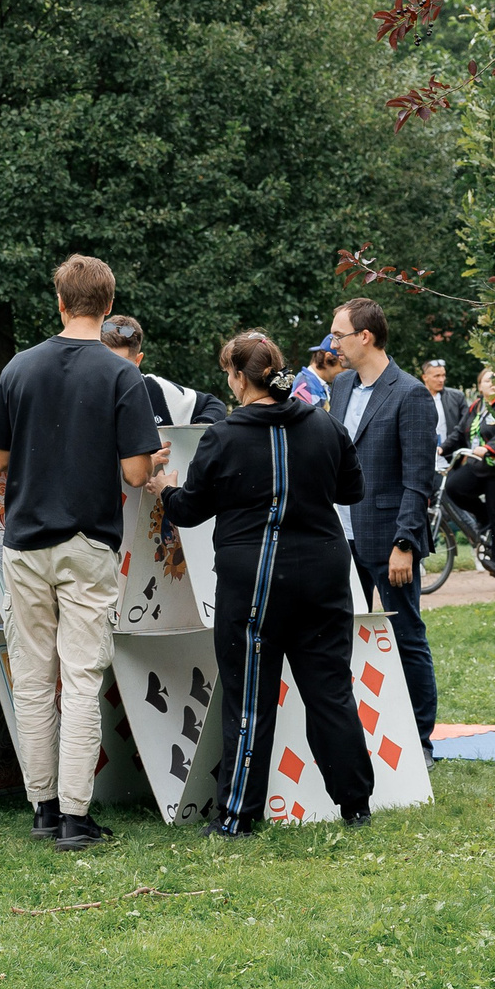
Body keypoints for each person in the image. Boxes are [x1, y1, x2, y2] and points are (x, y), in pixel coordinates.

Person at [0, 255, 167, 852]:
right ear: (108, 306)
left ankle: (42, 807)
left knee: (33, 681)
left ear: (59, 302)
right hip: (88, 538)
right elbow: (136, 474)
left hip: (25, 540)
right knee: (81, 679)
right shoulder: (121, 376)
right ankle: (76, 819)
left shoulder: (19, 368)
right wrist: (152, 459)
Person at [167, 331, 374, 835]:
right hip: (324, 573)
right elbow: (353, 488)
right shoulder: (324, 426)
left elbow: (191, 511)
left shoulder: (223, 435)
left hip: (255, 577)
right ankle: (355, 805)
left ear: (238, 378)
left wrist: (166, 489)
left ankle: (238, 815)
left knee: (250, 698)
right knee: (330, 692)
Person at [324, 297, 440, 758]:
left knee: (406, 636)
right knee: (340, 636)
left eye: (339, 335)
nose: (333, 343)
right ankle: (358, 736)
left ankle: (420, 741)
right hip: (341, 537)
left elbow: (418, 479)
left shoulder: (410, 393)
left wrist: (405, 543)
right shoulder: (345, 384)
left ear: (364, 336)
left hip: (389, 539)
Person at [442, 368, 495, 578]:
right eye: (487, 380)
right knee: (453, 487)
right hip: (477, 466)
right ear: (479, 386)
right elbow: (460, 433)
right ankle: (483, 517)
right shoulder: (477, 406)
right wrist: (441, 449)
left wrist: (489, 448)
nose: (492, 383)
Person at [101, 316, 228, 425]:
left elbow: (214, 405)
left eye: (123, 365)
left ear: (138, 360)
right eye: (108, 362)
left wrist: (195, 433)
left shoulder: (155, 387)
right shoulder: (88, 392)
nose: (115, 371)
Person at [423, 359, 468, 477]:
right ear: (425, 377)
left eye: (443, 375)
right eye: (436, 376)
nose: (441, 380)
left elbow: (463, 426)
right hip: (424, 460)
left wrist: (445, 447)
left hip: (451, 459)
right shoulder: (415, 398)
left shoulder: (457, 397)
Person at [290, 336, 339, 409]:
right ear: (327, 358)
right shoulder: (305, 389)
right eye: (344, 366)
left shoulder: (319, 385)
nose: (347, 371)